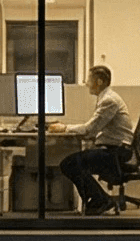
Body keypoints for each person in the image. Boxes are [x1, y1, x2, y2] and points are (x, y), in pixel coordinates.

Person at [52, 63, 134, 216]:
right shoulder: (107, 98)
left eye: (89, 79)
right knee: (73, 162)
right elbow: (94, 129)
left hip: (115, 152)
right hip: (114, 149)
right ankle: (98, 199)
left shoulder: (109, 100)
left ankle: (100, 200)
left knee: (69, 164)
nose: (86, 83)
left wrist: (64, 128)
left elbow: (89, 129)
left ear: (99, 82)